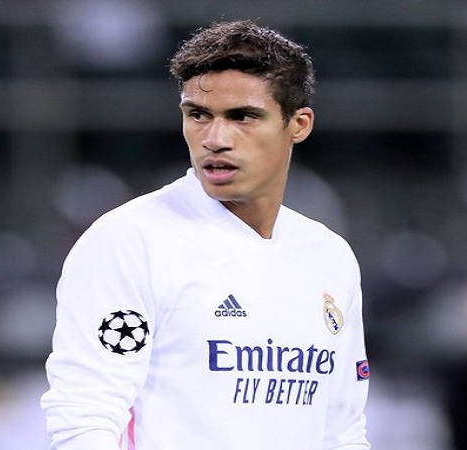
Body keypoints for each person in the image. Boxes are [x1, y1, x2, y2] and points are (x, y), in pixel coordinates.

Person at [41, 20, 371, 449]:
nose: (215, 139)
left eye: (243, 117)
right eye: (198, 115)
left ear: (298, 124)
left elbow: (342, 430)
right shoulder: (129, 241)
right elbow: (84, 416)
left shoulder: (329, 256)